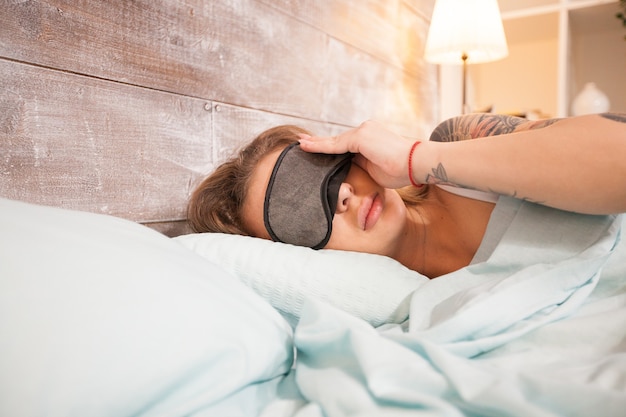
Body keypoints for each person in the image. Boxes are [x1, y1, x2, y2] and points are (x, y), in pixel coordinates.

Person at [188, 112, 626, 278]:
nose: (341, 194)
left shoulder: (455, 143)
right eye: (297, 213)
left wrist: (415, 158)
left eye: (323, 170)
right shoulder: (399, 316)